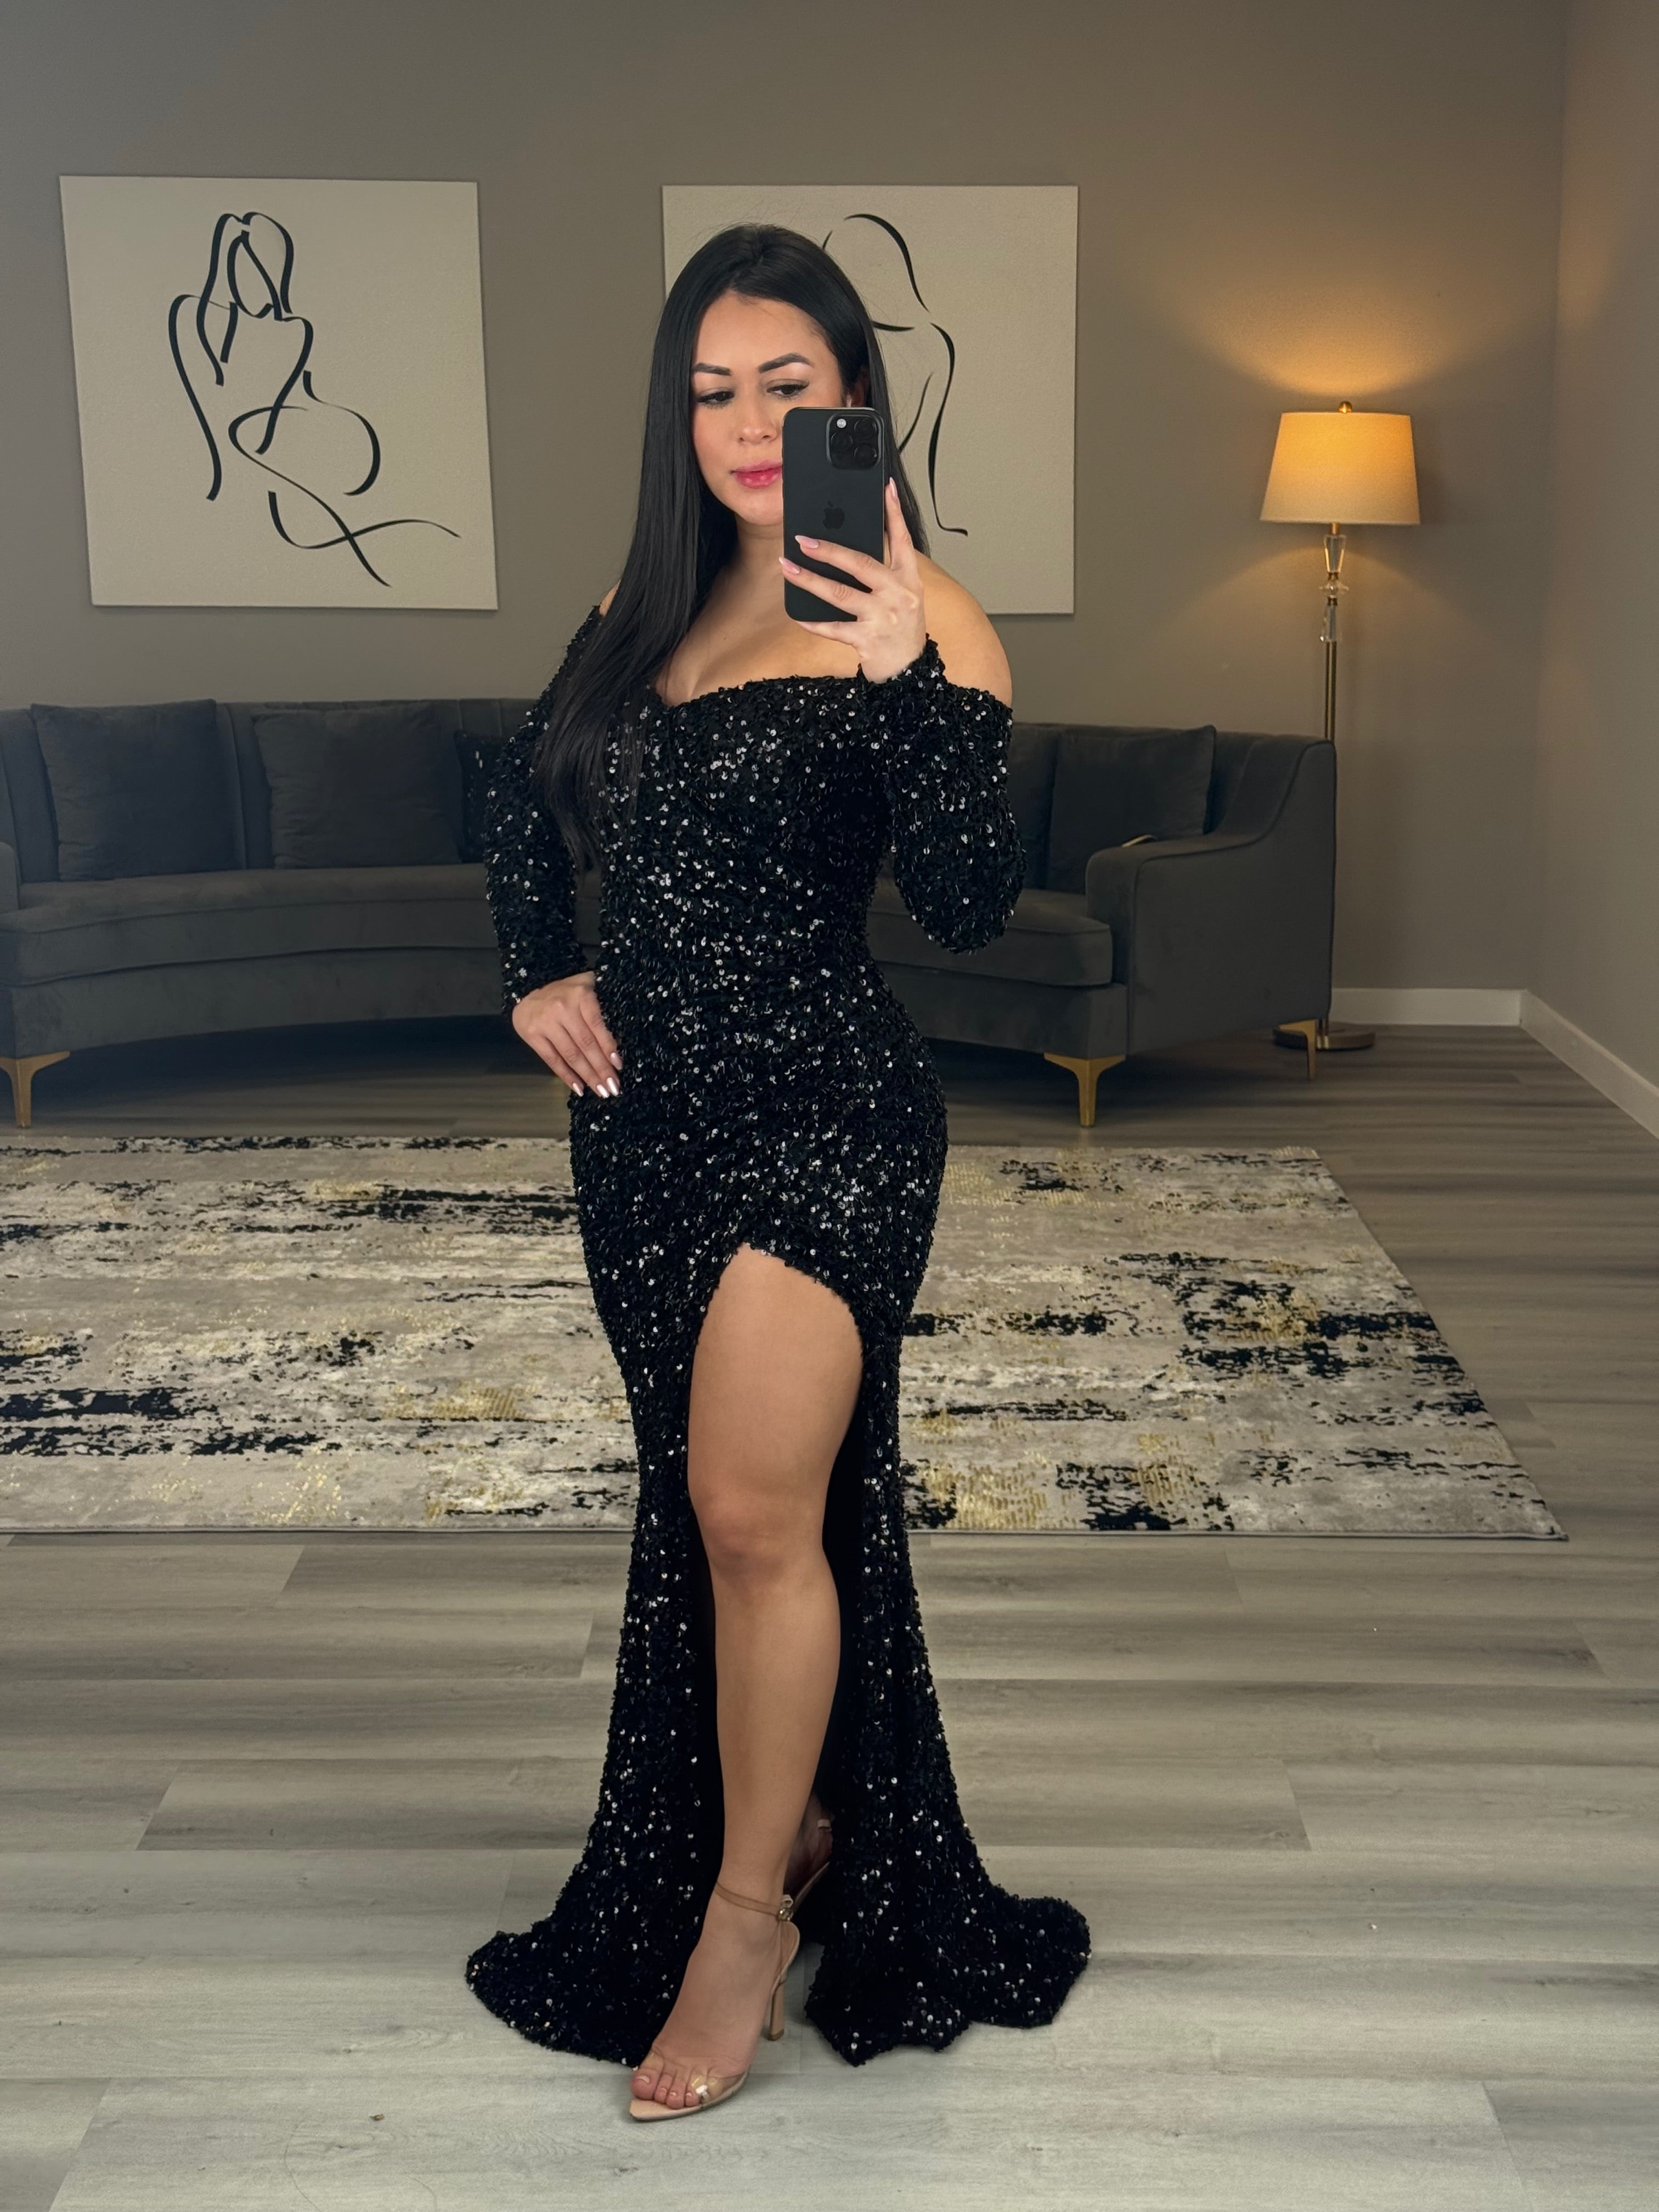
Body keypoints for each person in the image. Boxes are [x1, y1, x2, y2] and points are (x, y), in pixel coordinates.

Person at [465, 223, 1089, 2120]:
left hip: (832, 1117)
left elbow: (969, 906)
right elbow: (519, 798)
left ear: (853, 400)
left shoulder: (930, 613)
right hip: (643, 1135)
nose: (748, 425)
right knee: (725, 1516)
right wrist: (537, 969)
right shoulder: (635, 605)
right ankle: (805, 1820)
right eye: (712, 390)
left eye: (786, 387)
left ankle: (744, 1924)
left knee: (751, 1514)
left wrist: (906, 679)